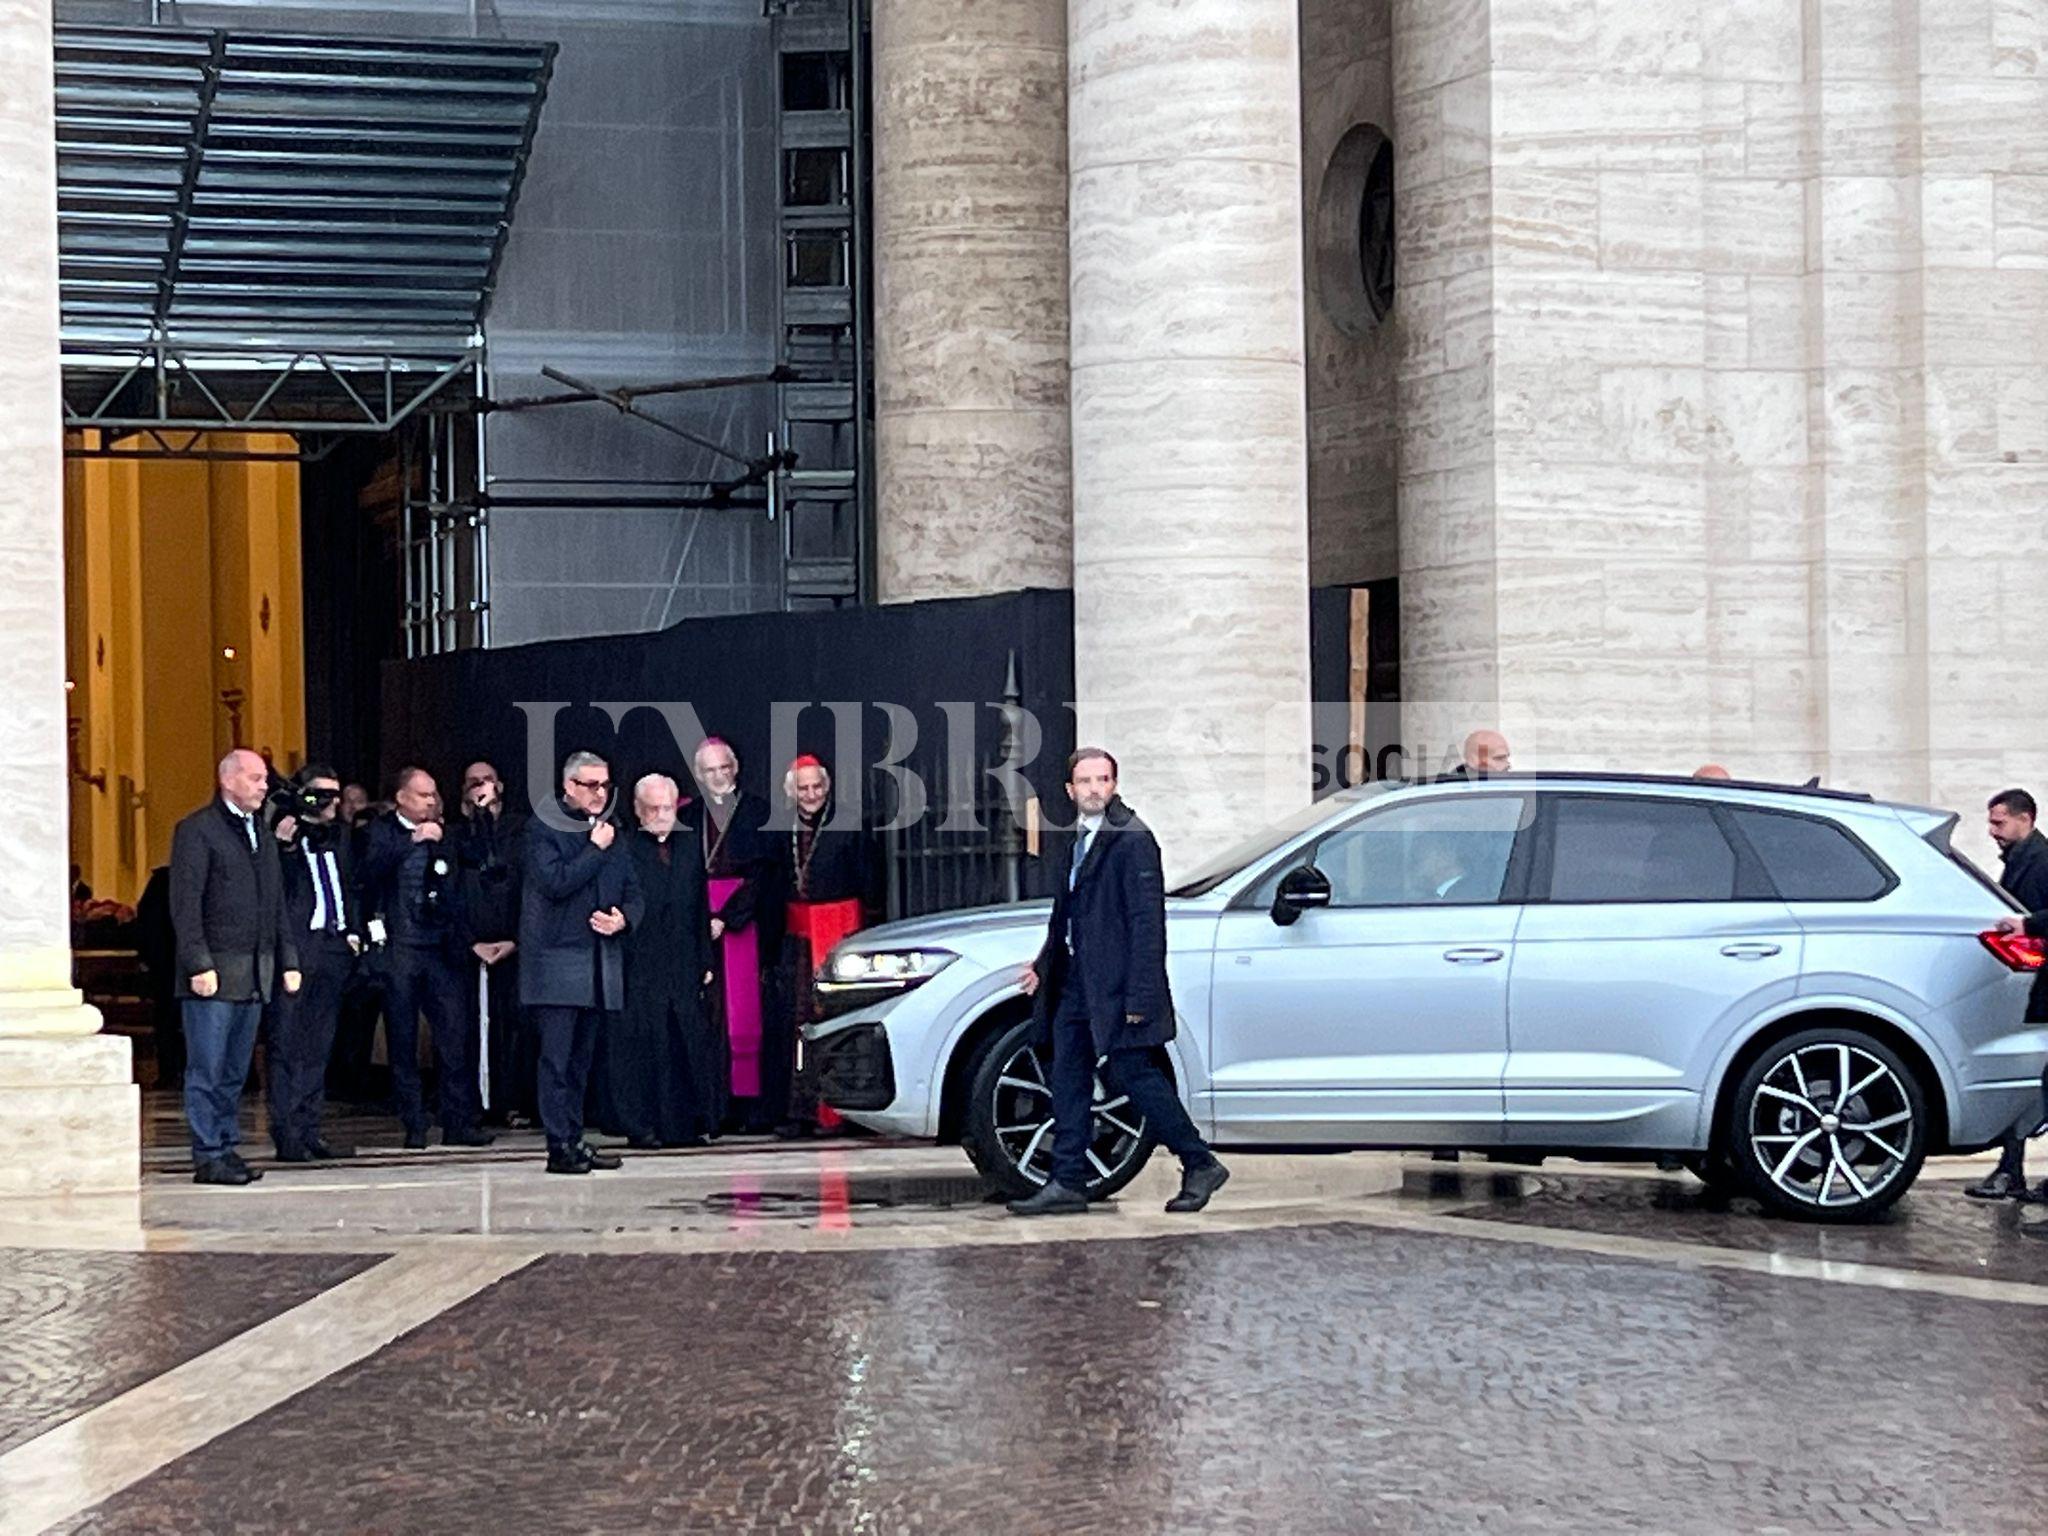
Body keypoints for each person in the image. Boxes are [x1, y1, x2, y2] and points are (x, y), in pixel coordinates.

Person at [1011, 748, 1228, 1216]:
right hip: (1075, 984)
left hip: (1116, 990)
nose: (1094, 789)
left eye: (1102, 779)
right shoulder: (1077, 841)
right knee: (1068, 1076)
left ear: (1114, 785)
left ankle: (1199, 1161)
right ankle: (1067, 1180)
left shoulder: (1132, 840)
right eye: (1085, 781)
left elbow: (1148, 924)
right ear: (1070, 791)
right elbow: (1068, 917)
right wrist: (1043, 964)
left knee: (1135, 1074)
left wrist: (1140, 998)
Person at [168, 750, 300, 1185]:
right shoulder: (197, 831)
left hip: (255, 971)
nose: (265, 786)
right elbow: (186, 906)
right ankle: (207, 1153)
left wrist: (288, 959)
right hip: (215, 972)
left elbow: (275, 902)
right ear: (228, 780)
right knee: (206, 1067)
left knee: (234, 1071)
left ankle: (225, 1145)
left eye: (264, 779)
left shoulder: (260, 832)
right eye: (256, 778)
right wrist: (198, 962)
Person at [359, 767, 492, 1150]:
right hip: (400, 947)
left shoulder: (445, 832)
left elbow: (479, 857)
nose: (431, 801)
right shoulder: (381, 830)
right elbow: (368, 872)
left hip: (440, 950)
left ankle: (458, 1121)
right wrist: (413, 842)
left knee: (454, 1036)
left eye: (434, 794)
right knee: (402, 1040)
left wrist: (479, 815)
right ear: (401, 798)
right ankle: (413, 1123)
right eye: (422, 795)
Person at [521, 751, 640, 1174]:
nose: (600, 793)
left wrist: (623, 918)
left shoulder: (612, 831)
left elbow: (632, 888)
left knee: (581, 1061)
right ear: (569, 786)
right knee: (556, 1059)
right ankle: (559, 1145)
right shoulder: (544, 827)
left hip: (597, 961)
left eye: (605, 785)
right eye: (591, 785)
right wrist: (592, 848)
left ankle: (575, 1137)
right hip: (556, 963)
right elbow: (554, 883)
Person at [591, 774, 719, 1148]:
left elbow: (699, 906)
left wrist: (705, 959)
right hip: (640, 962)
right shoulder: (623, 848)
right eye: (653, 809)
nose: (661, 815)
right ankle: (641, 1125)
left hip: (682, 960)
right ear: (637, 809)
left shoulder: (690, 844)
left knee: (684, 1043)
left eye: (667, 808)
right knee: (644, 1046)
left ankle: (685, 1125)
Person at [772, 755, 874, 1137]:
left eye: (817, 787)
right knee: (797, 1024)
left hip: (839, 936)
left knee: (837, 1021)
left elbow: (869, 884)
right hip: (799, 941)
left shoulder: (849, 823)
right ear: (791, 792)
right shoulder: (784, 828)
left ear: (827, 787)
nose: (811, 794)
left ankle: (839, 1112)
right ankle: (802, 1112)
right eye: (803, 788)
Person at [266, 764, 361, 1162]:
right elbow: (276, 891)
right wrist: (285, 846)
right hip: (297, 950)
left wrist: (354, 932)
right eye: (322, 794)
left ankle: (310, 1127)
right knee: (288, 1045)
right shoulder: (282, 836)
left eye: (336, 795)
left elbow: (352, 884)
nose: (331, 803)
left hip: (334, 947)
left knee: (319, 1046)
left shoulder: (340, 836)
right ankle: (287, 1132)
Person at [687, 736, 781, 1131]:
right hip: (699, 922)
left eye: (724, 767)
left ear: (735, 768)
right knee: (709, 1018)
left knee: (746, 1015)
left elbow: (763, 875)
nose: (718, 776)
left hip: (743, 924)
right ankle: (713, 1106)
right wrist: (700, 918)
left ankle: (750, 1110)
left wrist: (727, 916)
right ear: (699, 775)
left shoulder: (759, 812)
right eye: (709, 770)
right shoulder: (687, 817)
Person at [1968, 789, 2048, 1200]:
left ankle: (2012, 1170)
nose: (1992, 830)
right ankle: (2011, 1169)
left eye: (1999, 822)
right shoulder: (2022, 861)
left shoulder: (2040, 862)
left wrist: (2028, 926)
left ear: (2026, 819)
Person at [452, 760, 532, 1128]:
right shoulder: (457, 836)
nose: (480, 787)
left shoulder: (522, 831)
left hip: (513, 945)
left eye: (487, 780)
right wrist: (470, 943)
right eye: (473, 783)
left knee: (515, 1026)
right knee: (468, 1027)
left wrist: (515, 939)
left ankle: (513, 1100)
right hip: (471, 948)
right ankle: (472, 1103)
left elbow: (531, 888)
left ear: (499, 785)